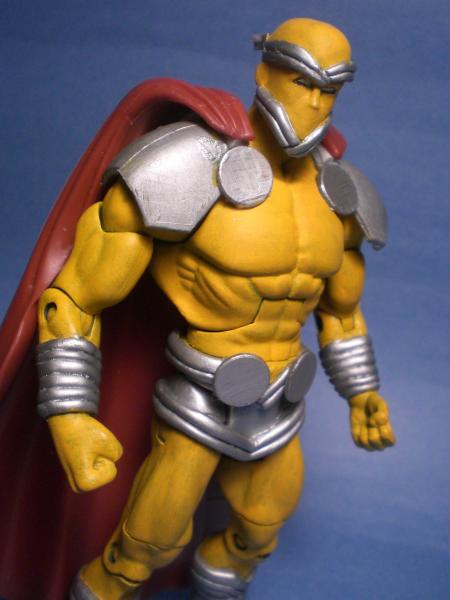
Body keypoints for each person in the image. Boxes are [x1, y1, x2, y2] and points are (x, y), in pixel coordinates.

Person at [32, 18, 395, 600]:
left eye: (330, 88)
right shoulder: (185, 169)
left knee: (257, 535)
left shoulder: (338, 198)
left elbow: (343, 312)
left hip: (282, 404)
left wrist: (361, 391)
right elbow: (74, 298)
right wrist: (70, 413)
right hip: (198, 402)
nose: (314, 102)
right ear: (265, 71)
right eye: (302, 80)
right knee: (144, 548)